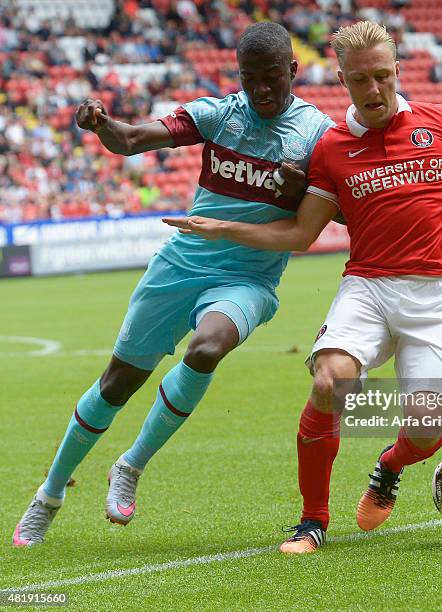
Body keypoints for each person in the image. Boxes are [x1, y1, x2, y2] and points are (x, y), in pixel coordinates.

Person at [164, 21, 442, 554]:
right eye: (360, 80)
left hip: (437, 293)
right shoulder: (331, 148)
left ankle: (389, 464)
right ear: (341, 80)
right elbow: (301, 232)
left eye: (383, 76)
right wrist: (222, 227)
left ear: (398, 71)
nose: (374, 89)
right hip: (368, 288)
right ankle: (312, 521)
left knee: (427, 429)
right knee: (330, 383)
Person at [13, 22, 333, 547]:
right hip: (180, 265)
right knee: (116, 384)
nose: (263, 90)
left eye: (273, 77)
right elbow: (133, 139)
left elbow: (331, 214)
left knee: (207, 348)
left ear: (293, 71)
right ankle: (48, 495)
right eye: (251, 79)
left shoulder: (317, 134)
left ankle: (132, 464)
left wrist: (302, 190)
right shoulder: (218, 114)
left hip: (248, 277)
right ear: (240, 76)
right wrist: (101, 123)